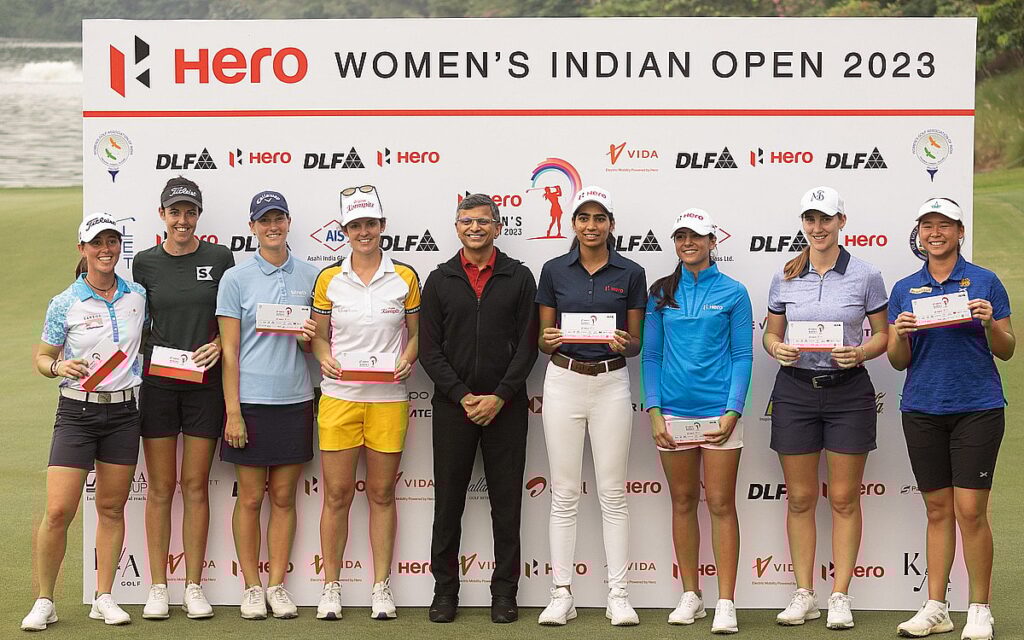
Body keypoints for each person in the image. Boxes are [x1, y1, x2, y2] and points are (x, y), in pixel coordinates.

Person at [762, 186, 889, 630]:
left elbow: (883, 334)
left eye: (826, 219)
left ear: (841, 222)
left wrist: (861, 352)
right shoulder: (785, 274)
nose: (817, 227)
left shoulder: (867, 274)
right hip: (795, 390)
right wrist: (776, 347)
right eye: (810, 219)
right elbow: (771, 333)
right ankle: (804, 593)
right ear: (803, 223)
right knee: (799, 498)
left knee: (843, 498)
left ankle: (839, 595)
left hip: (848, 392)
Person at [889, 198, 1014, 640]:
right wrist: (899, 334)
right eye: (928, 225)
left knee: (971, 512)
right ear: (919, 234)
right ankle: (936, 608)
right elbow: (898, 361)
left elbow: (1007, 348)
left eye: (945, 225)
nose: (936, 233)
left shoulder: (984, 281)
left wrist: (990, 324)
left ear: (960, 232)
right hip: (922, 408)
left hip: (977, 407)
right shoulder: (905, 288)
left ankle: (979, 608)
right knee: (937, 510)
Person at [22, 213, 147, 630]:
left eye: (111, 242)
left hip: (124, 413)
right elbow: (43, 357)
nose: (105, 250)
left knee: (111, 507)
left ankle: (104, 596)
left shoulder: (137, 296)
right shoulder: (65, 301)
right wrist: (58, 366)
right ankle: (45, 600)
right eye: (97, 243)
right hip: (77, 412)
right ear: (83, 249)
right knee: (59, 511)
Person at [419, 193, 539, 624]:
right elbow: (429, 350)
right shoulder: (439, 279)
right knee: (447, 504)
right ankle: (444, 592)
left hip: (506, 406)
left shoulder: (520, 277)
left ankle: (505, 593)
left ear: (498, 227)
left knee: (506, 505)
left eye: (483, 221)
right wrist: (462, 395)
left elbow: (528, 346)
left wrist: (500, 395)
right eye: (467, 221)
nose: (475, 228)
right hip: (455, 407)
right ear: (457, 228)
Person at [535, 186, 647, 627]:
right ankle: (562, 594)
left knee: (613, 494)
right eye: (584, 218)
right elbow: (544, 340)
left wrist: (624, 342)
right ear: (573, 224)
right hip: (563, 381)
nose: (591, 225)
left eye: (600, 218)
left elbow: (636, 344)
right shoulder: (553, 270)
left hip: (611, 382)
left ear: (611, 224)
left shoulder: (631, 272)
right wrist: (547, 339)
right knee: (563, 493)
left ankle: (618, 595)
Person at [311, 185, 420, 621]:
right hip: (339, 397)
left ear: (382, 226)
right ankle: (331, 587)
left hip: (388, 399)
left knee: (381, 494)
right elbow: (318, 337)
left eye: (370, 224)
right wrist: (323, 356)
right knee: (336, 495)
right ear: (344, 231)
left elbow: (416, 335)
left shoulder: (405, 276)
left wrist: (409, 359)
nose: (363, 232)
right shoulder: (329, 278)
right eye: (355, 225)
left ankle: (380, 587)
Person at [642, 208, 752, 634]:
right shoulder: (660, 293)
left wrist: (733, 410)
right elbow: (652, 356)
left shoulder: (734, 291)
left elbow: (742, 355)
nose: (688, 243)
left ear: (712, 242)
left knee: (722, 504)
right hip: (673, 413)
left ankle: (726, 601)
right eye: (681, 236)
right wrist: (654, 411)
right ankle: (691, 594)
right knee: (683, 502)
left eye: (696, 236)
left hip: (719, 413)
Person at [133, 177, 234, 620]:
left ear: (199, 216)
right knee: (160, 487)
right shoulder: (144, 263)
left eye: (190, 212)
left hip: (204, 384)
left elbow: (229, 317)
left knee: (195, 485)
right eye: (174, 212)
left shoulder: (219, 258)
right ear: (162, 215)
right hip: (158, 384)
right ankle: (158, 586)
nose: (182, 220)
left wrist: (219, 344)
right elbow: (138, 323)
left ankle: (193, 586)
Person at [216, 190, 319, 620]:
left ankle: (277, 585)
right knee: (250, 498)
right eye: (264, 220)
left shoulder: (311, 275)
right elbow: (229, 351)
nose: (272, 226)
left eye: (278, 219)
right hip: (250, 403)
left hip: (295, 399)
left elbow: (315, 346)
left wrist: (310, 339)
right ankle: (251, 587)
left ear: (289, 222)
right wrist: (233, 412)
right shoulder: (235, 278)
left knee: (283, 497)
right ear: (252, 227)